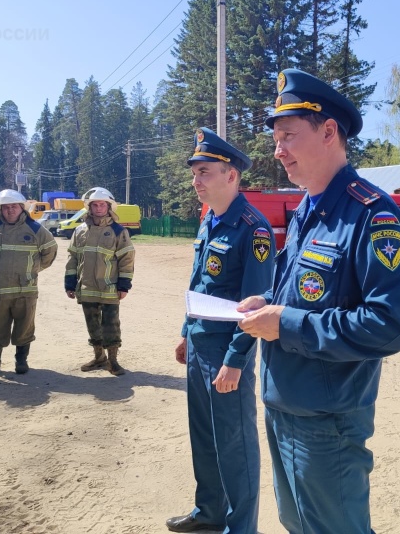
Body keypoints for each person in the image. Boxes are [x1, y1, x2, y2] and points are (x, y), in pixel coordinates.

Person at [238, 69, 400, 534]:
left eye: (287, 137)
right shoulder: (307, 211)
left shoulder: (371, 214)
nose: (277, 150)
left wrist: (288, 324)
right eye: (275, 138)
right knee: (297, 524)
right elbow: (302, 294)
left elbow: (391, 324)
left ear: (328, 131)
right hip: (284, 406)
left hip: (327, 424)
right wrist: (269, 302)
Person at [166, 128, 275, 534]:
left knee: (235, 445)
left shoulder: (253, 229)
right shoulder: (210, 220)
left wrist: (234, 362)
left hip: (226, 354)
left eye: (205, 172)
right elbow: (199, 283)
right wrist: (185, 331)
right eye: (194, 173)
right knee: (205, 437)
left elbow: (256, 304)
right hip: (198, 344)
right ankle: (209, 511)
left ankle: (241, 527)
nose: (196, 180)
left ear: (232, 176)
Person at [0, 189, 57, 377]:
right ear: (0, 210)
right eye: (6, 207)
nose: (10, 210)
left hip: (25, 290)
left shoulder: (36, 229)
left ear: (22, 208)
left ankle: (21, 361)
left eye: (14, 207)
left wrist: (32, 270)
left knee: (24, 326)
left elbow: (50, 252)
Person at [65, 187, 135, 376]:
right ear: (89, 208)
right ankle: (99, 357)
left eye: (102, 204)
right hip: (86, 287)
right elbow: (72, 258)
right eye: (94, 205)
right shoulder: (79, 231)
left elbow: (127, 259)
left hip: (109, 288)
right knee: (92, 324)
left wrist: (124, 285)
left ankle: (113, 361)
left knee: (111, 325)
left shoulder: (118, 231)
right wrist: (70, 283)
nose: (98, 208)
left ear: (109, 206)